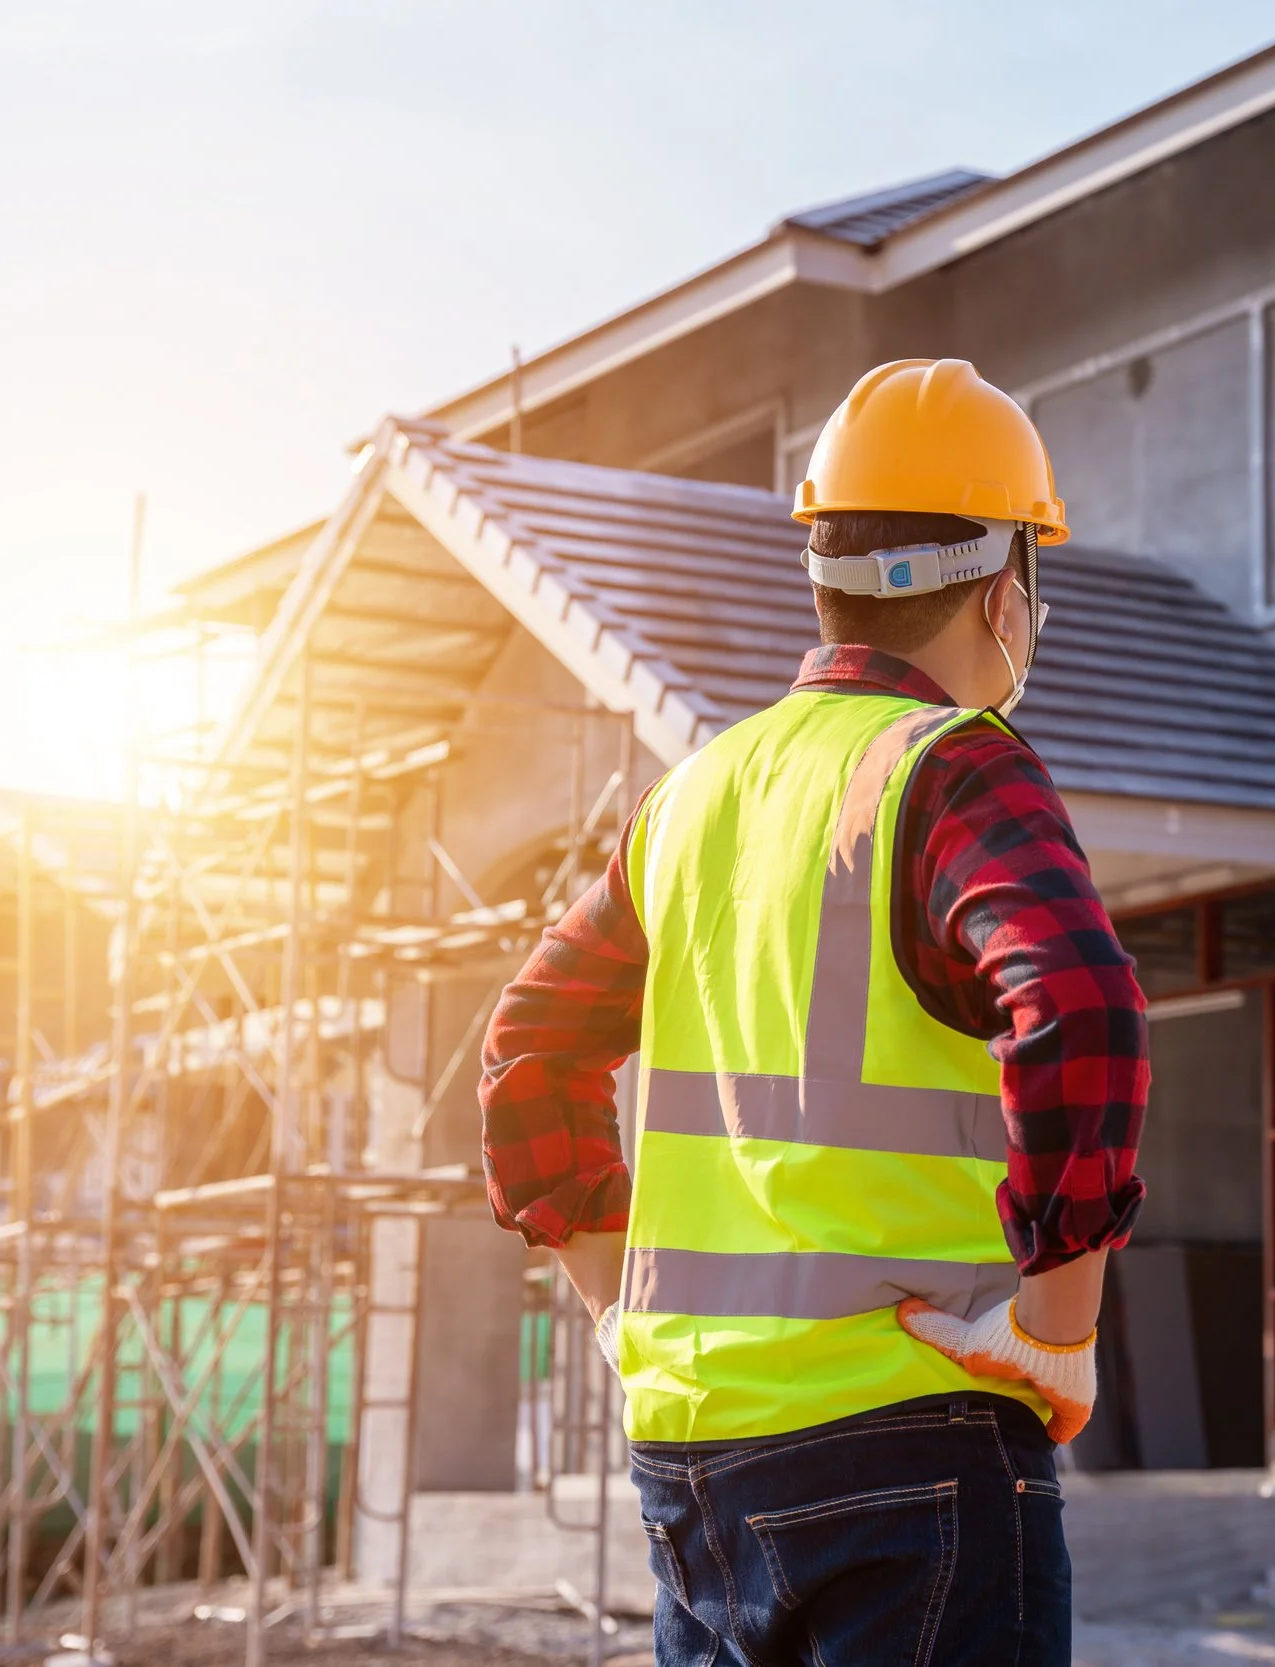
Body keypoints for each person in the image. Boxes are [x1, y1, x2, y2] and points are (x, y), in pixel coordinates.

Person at [477, 358, 1148, 1667]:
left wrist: (620, 1305)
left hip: (695, 1470)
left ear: (822, 573)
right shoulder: (949, 766)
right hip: (912, 1447)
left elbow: (527, 1047)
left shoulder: (690, 797)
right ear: (1004, 590)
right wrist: (1057, 1329)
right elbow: (1080, 1004)